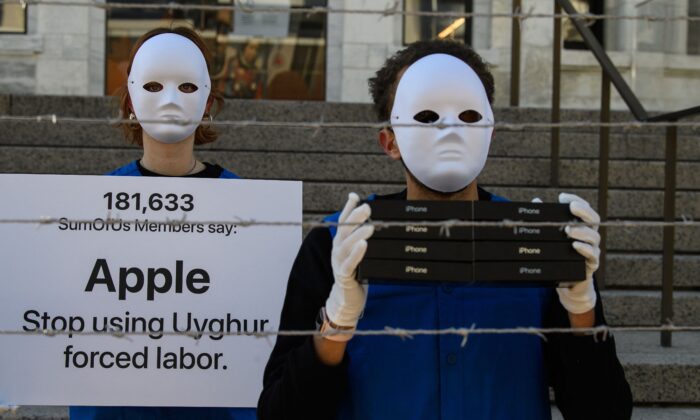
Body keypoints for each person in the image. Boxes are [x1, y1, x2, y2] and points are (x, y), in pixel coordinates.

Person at [258, 40, 633, 420]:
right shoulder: (337, 244)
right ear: (390, 141)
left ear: (490, 131)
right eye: (425, 116)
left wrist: (582, 314)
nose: (450, 129)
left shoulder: (538, 242)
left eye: (469, 116)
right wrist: (335, 325)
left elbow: (604, 414)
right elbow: (279, 414)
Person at [70, 27, 255, 420]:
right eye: (153, 85)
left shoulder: (244, 206)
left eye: (186, 87)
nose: (170, 100)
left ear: (207, 100)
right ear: (131, 100)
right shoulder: (96, 205)